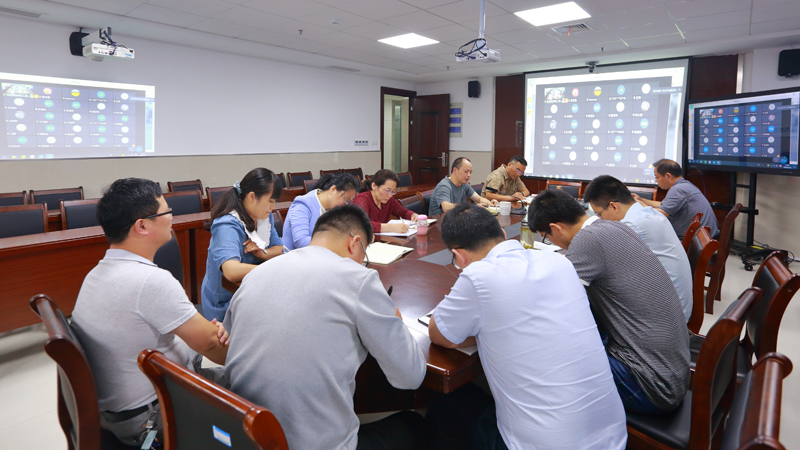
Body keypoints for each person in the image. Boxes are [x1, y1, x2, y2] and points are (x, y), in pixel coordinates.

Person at [223, 205, 427, 450]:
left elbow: (229, 344)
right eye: (364, 256)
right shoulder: (358, 279)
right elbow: (411, 376)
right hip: (313, 444)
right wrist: (396, 323)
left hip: (245, 435)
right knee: (416, 423)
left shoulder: (256, 274)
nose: (362, 263)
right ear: (354, 243)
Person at [426, 204, 627, 450]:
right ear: (502, 233)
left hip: (543, 445)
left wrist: (485, 330)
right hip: (614, 437)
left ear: (458, 256)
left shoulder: (478, 276)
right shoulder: (559, 262)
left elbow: (439, 334)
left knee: (444, 403)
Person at [71, 178, 229, 446]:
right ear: (142, 226)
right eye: (166, 212)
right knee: (256, 380)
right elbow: (215, 348)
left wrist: (206, 336)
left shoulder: (96, 273)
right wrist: (226, 343)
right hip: (153, 416)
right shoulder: (150, 281)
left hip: (117, 412)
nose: (172, 217)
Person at [528, 189, 690, 414]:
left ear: (556, 228)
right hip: (673, 370)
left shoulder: (587, 240)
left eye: (546, 236)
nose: (549, 241)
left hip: (652, 386)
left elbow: (555, 305)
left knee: (544, 360)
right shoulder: (617, 227)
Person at [583, 175, 694, 322]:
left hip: (665, 320)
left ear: (613, 206)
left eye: (599, 214)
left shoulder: (632, 225)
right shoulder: (648, 213)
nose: (601, 220)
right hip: (675, 306)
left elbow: (600, 260)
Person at [201, 168, 283, 322]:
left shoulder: (264, 217)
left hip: (253, 289)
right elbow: (231, 271)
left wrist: (262, 254)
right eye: (270, 201)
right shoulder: (227, 224)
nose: (273, 207)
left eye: (275, 202)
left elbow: (278, 248)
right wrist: (274, 270)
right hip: (226, 301)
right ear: (251, 196)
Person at [634, 159, 719, 238]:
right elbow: (665, 205)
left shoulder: (677, 190)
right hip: (705, 237)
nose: (656, 181)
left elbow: (661, 214)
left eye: (657, 177)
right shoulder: (685, 185)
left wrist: (639, 204)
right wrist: (641, 200)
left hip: (696, 241)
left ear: (668, 176)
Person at [283, 172, 359, 251]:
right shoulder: (303, 204)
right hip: (297, 255)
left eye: (349, 202)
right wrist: (334, 243)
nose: (346, 204)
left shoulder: (334, 209)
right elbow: (301, 241)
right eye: (346, 199)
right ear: (333, 189)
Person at [353, 169, 418, 234]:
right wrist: (392, 227)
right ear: (374, 186)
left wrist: (413, 215)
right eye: (387, 190)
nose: (390, 195)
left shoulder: (389, 200)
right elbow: (361, 224)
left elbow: (403, 212)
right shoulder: (362, 200)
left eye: (393, 191)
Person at [429, 157, 497, 215]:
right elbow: (446, 207)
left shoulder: (464, 184)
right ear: (455, 170)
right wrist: (472, 207)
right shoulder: (444, 186)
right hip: (440, 222)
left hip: (455, 219)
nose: (469, 175)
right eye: (466, 172)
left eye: (470, 172)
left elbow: (478, 199)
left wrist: (490, 204)